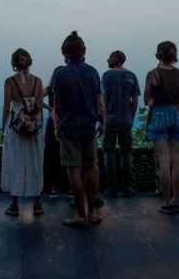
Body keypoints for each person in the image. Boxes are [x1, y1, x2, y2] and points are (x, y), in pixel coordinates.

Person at [51, 31, 104, 228]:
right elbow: (100, 102)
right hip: (89, 127)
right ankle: (92, 213)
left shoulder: (60, 74)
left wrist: (57, 126)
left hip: (69, 127)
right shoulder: (92, 72)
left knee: (73, 168)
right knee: (91, 166)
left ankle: (80, 215)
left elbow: (57, 104)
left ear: (64, 52)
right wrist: (103, 123)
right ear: (84, 51)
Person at [1, 48, 45, 217]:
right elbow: (39, 107)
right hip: (34, 128)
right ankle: (37, 202)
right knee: (35, 163)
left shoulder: (10, 81)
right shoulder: (37, 81)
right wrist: (38, 126)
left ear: (14, 62)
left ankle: (14, 205)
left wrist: (3, 128)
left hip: (16, 127)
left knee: (15, 162)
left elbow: (7, 107)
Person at [144, 41, 179, 214]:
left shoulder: (153, 74)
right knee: (176, 158)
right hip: (176, 113)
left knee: (164, 160)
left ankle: (166, 200)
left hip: (159, 113)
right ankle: (176, 199)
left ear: (158, 55)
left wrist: (154, 98)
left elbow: (146, 99)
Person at [101, 50, 139, 197]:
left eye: (110, 58)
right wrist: (131, 117)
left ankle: (111, 187)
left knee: (108, 152)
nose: (107, 60)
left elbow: (103, 99)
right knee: (126, 153)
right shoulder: (132, 76)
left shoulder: (106, 75)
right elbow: (135, 101)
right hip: (126, 119)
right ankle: (127, 187)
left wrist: (102, 119)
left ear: (116, 59)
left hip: (109, 119)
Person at [42, 75, 68, 197]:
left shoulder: (50, 88)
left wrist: (50, 109)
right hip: (66, 121)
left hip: (52, 122)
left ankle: (54, 187)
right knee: (66, 154)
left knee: (51, 155)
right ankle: (68, 186)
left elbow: (37, 97)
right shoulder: (67, 88)